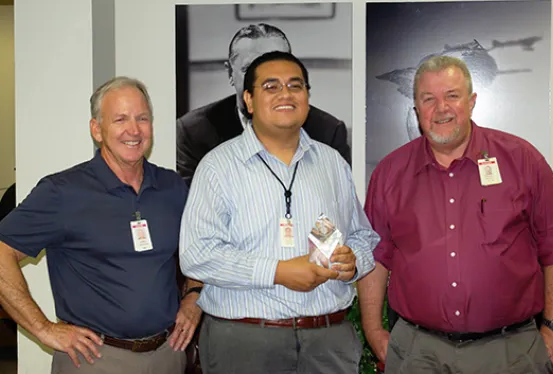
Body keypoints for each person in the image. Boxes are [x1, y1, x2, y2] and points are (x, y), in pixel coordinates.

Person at [359, 55, 553, 373]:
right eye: (429, 99)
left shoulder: (522, 160)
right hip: (418, 352)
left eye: (452, 96)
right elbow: (376, 255)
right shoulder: (390, 173)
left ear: (471, 102)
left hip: (511, 352)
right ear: (417, 109)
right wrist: (373, 330)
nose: (441, 108)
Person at [178, 51, 379, 374]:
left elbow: (363, 236)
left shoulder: (332, 163)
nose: (286, 94)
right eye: (271, 87)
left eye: (295, 86)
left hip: (328, 341)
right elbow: (197, 255)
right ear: (249, 99)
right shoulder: (217, 166)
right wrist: (278, 271)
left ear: (307, 97)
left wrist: (352, 260)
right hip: (246, 342)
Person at [0, 77, 203, 373]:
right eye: (120, 119)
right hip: (95, 359)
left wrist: (194, 296)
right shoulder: (63, 192)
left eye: (142, 119)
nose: (133, 130)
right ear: (97, 129)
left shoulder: (171, 187)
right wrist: (43, 328)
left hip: (167, 355)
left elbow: (198, 250)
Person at [176, 23, 351, 187]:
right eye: (249, 69)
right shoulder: (193, 132)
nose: (265, 80)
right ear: (230, 72)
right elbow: (195, 208)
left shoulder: (328, 132)